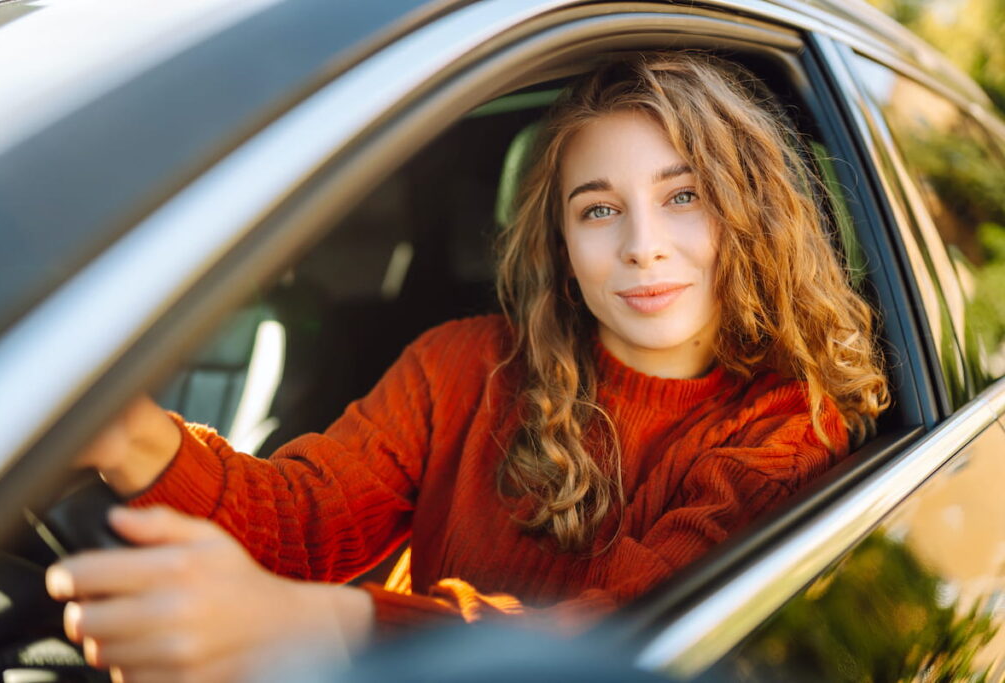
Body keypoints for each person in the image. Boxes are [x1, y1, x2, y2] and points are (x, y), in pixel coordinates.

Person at [46, 52, 889, 681]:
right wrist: (132, 439)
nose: (642, 246)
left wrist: (330, 623)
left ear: (748, 214)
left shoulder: (787, 424)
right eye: (598, 209)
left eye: (684, 195)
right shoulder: (461, 364)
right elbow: (300, 524)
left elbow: (623, 635)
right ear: (561, 243)